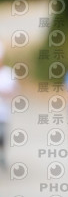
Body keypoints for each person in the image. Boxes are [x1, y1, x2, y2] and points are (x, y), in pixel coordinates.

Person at [0, 41, 18, 170]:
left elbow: (14, 91)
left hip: (3, 112)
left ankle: (2, 155)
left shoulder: (8, 73)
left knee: (2, 135)